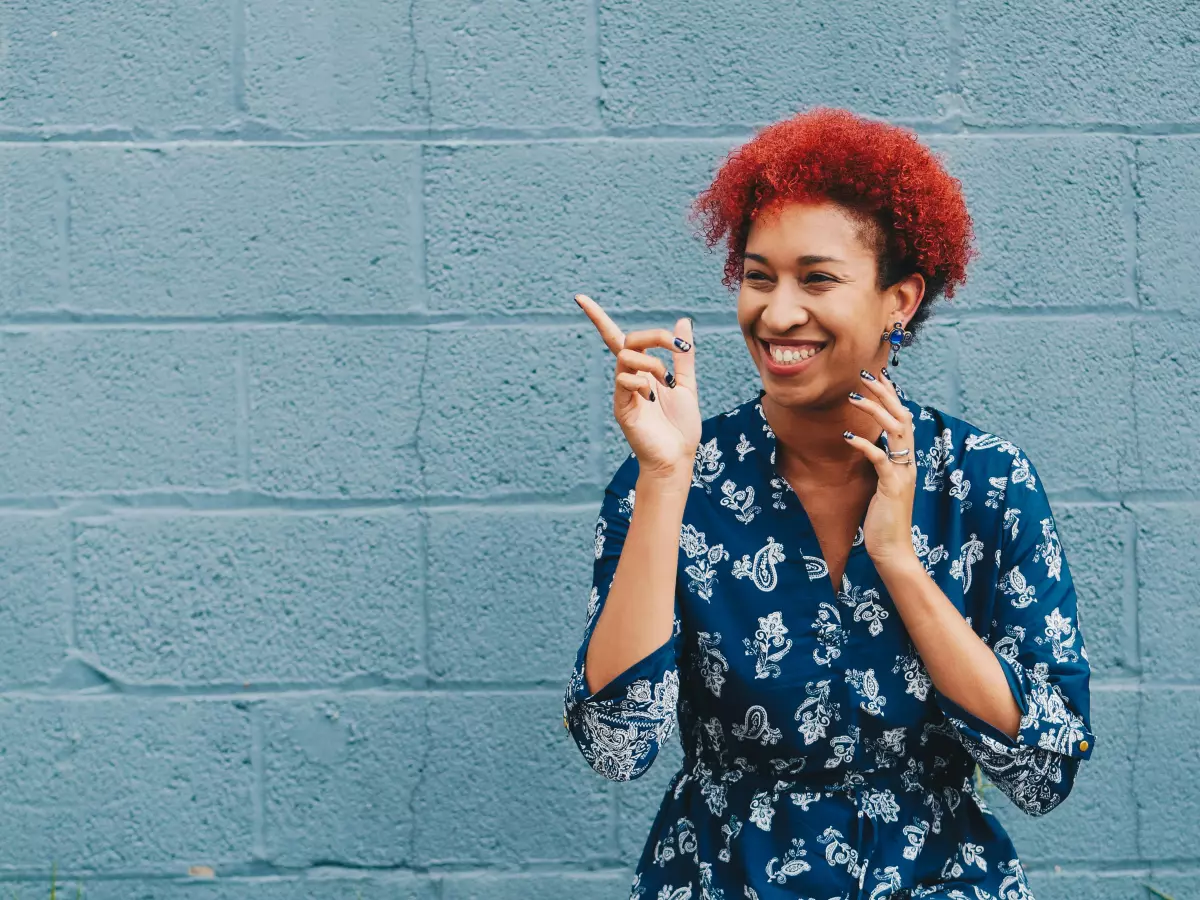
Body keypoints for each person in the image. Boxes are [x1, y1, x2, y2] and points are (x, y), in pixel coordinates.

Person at [562, 106, 1096, 900]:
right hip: (721, 879)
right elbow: (616, 747)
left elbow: (1044, 770)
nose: (777, 314)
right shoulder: (672, 478)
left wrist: (899, 564)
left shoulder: (984, 484)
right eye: (756, 276)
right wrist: (667, 481)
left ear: (899, 300)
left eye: (817, 278)